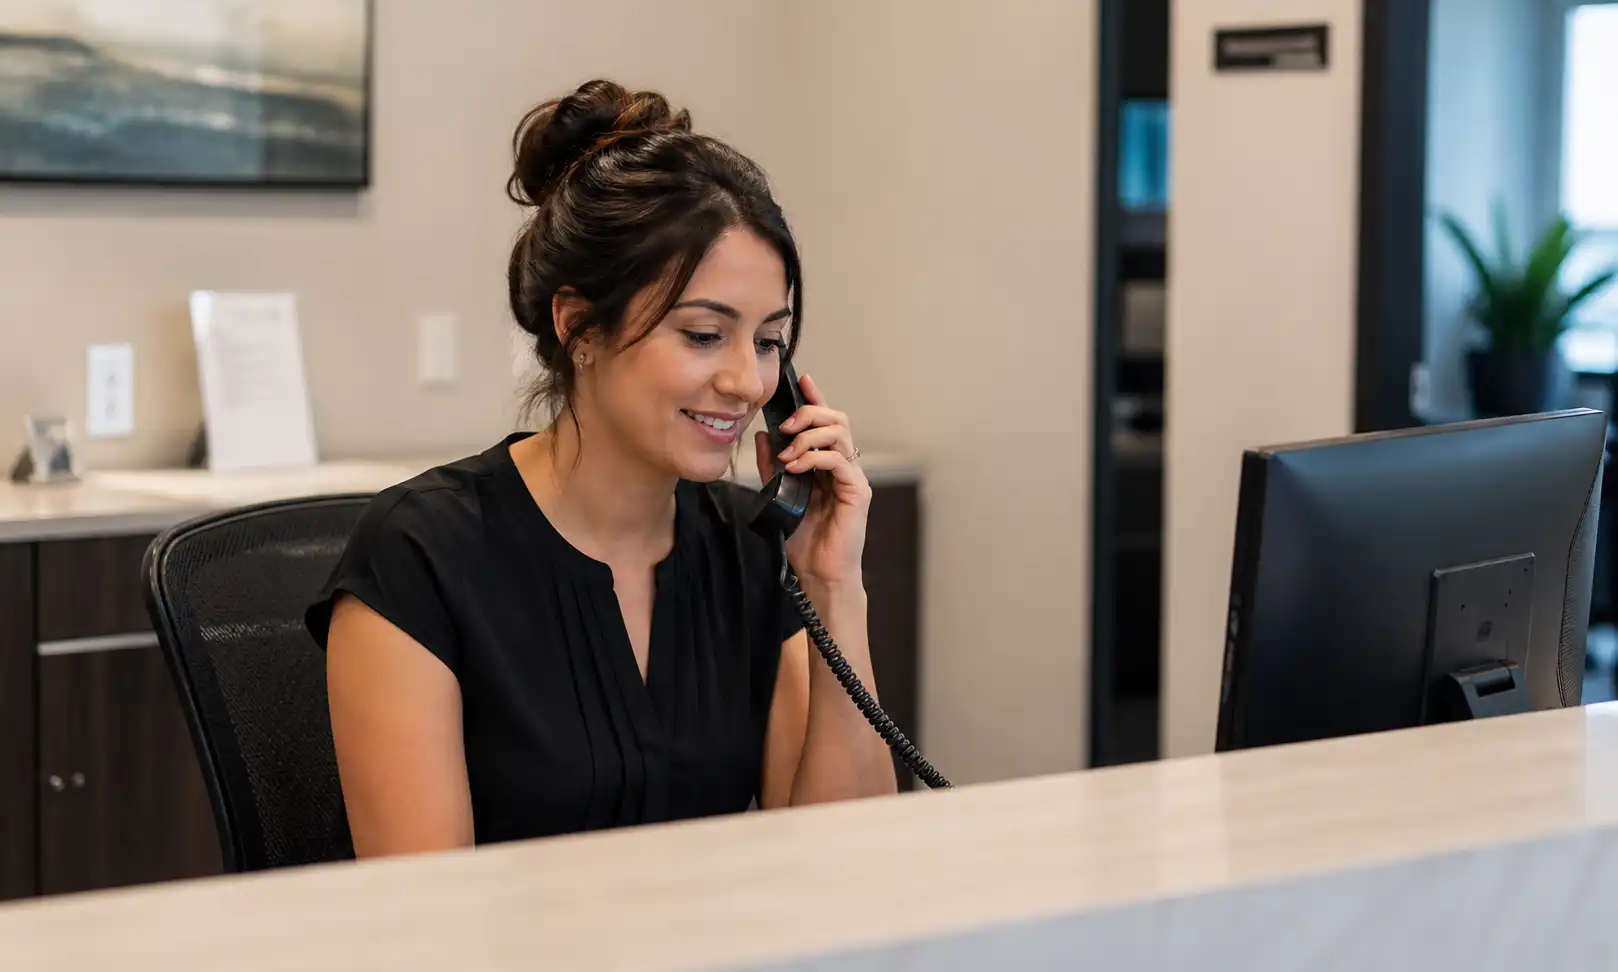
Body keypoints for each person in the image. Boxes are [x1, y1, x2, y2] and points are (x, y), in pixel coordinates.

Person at [305, 79, 897, 858]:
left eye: (767, 341)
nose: (749, 384)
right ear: (579, 325)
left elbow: (846, 865)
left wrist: (834, 586)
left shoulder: (751, 550)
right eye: (703, 335)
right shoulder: (422, 555)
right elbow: (426, 919)